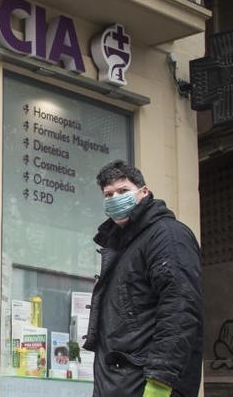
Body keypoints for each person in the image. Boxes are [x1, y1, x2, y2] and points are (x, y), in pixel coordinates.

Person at [84, 160, 202, 397]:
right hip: (119, 384)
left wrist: (160, 383)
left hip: (146, 385)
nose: (115, 198)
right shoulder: (121, 246)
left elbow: (180, 310)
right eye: (108, 194)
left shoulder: (167, 236)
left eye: (123, 191)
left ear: (144, 192)